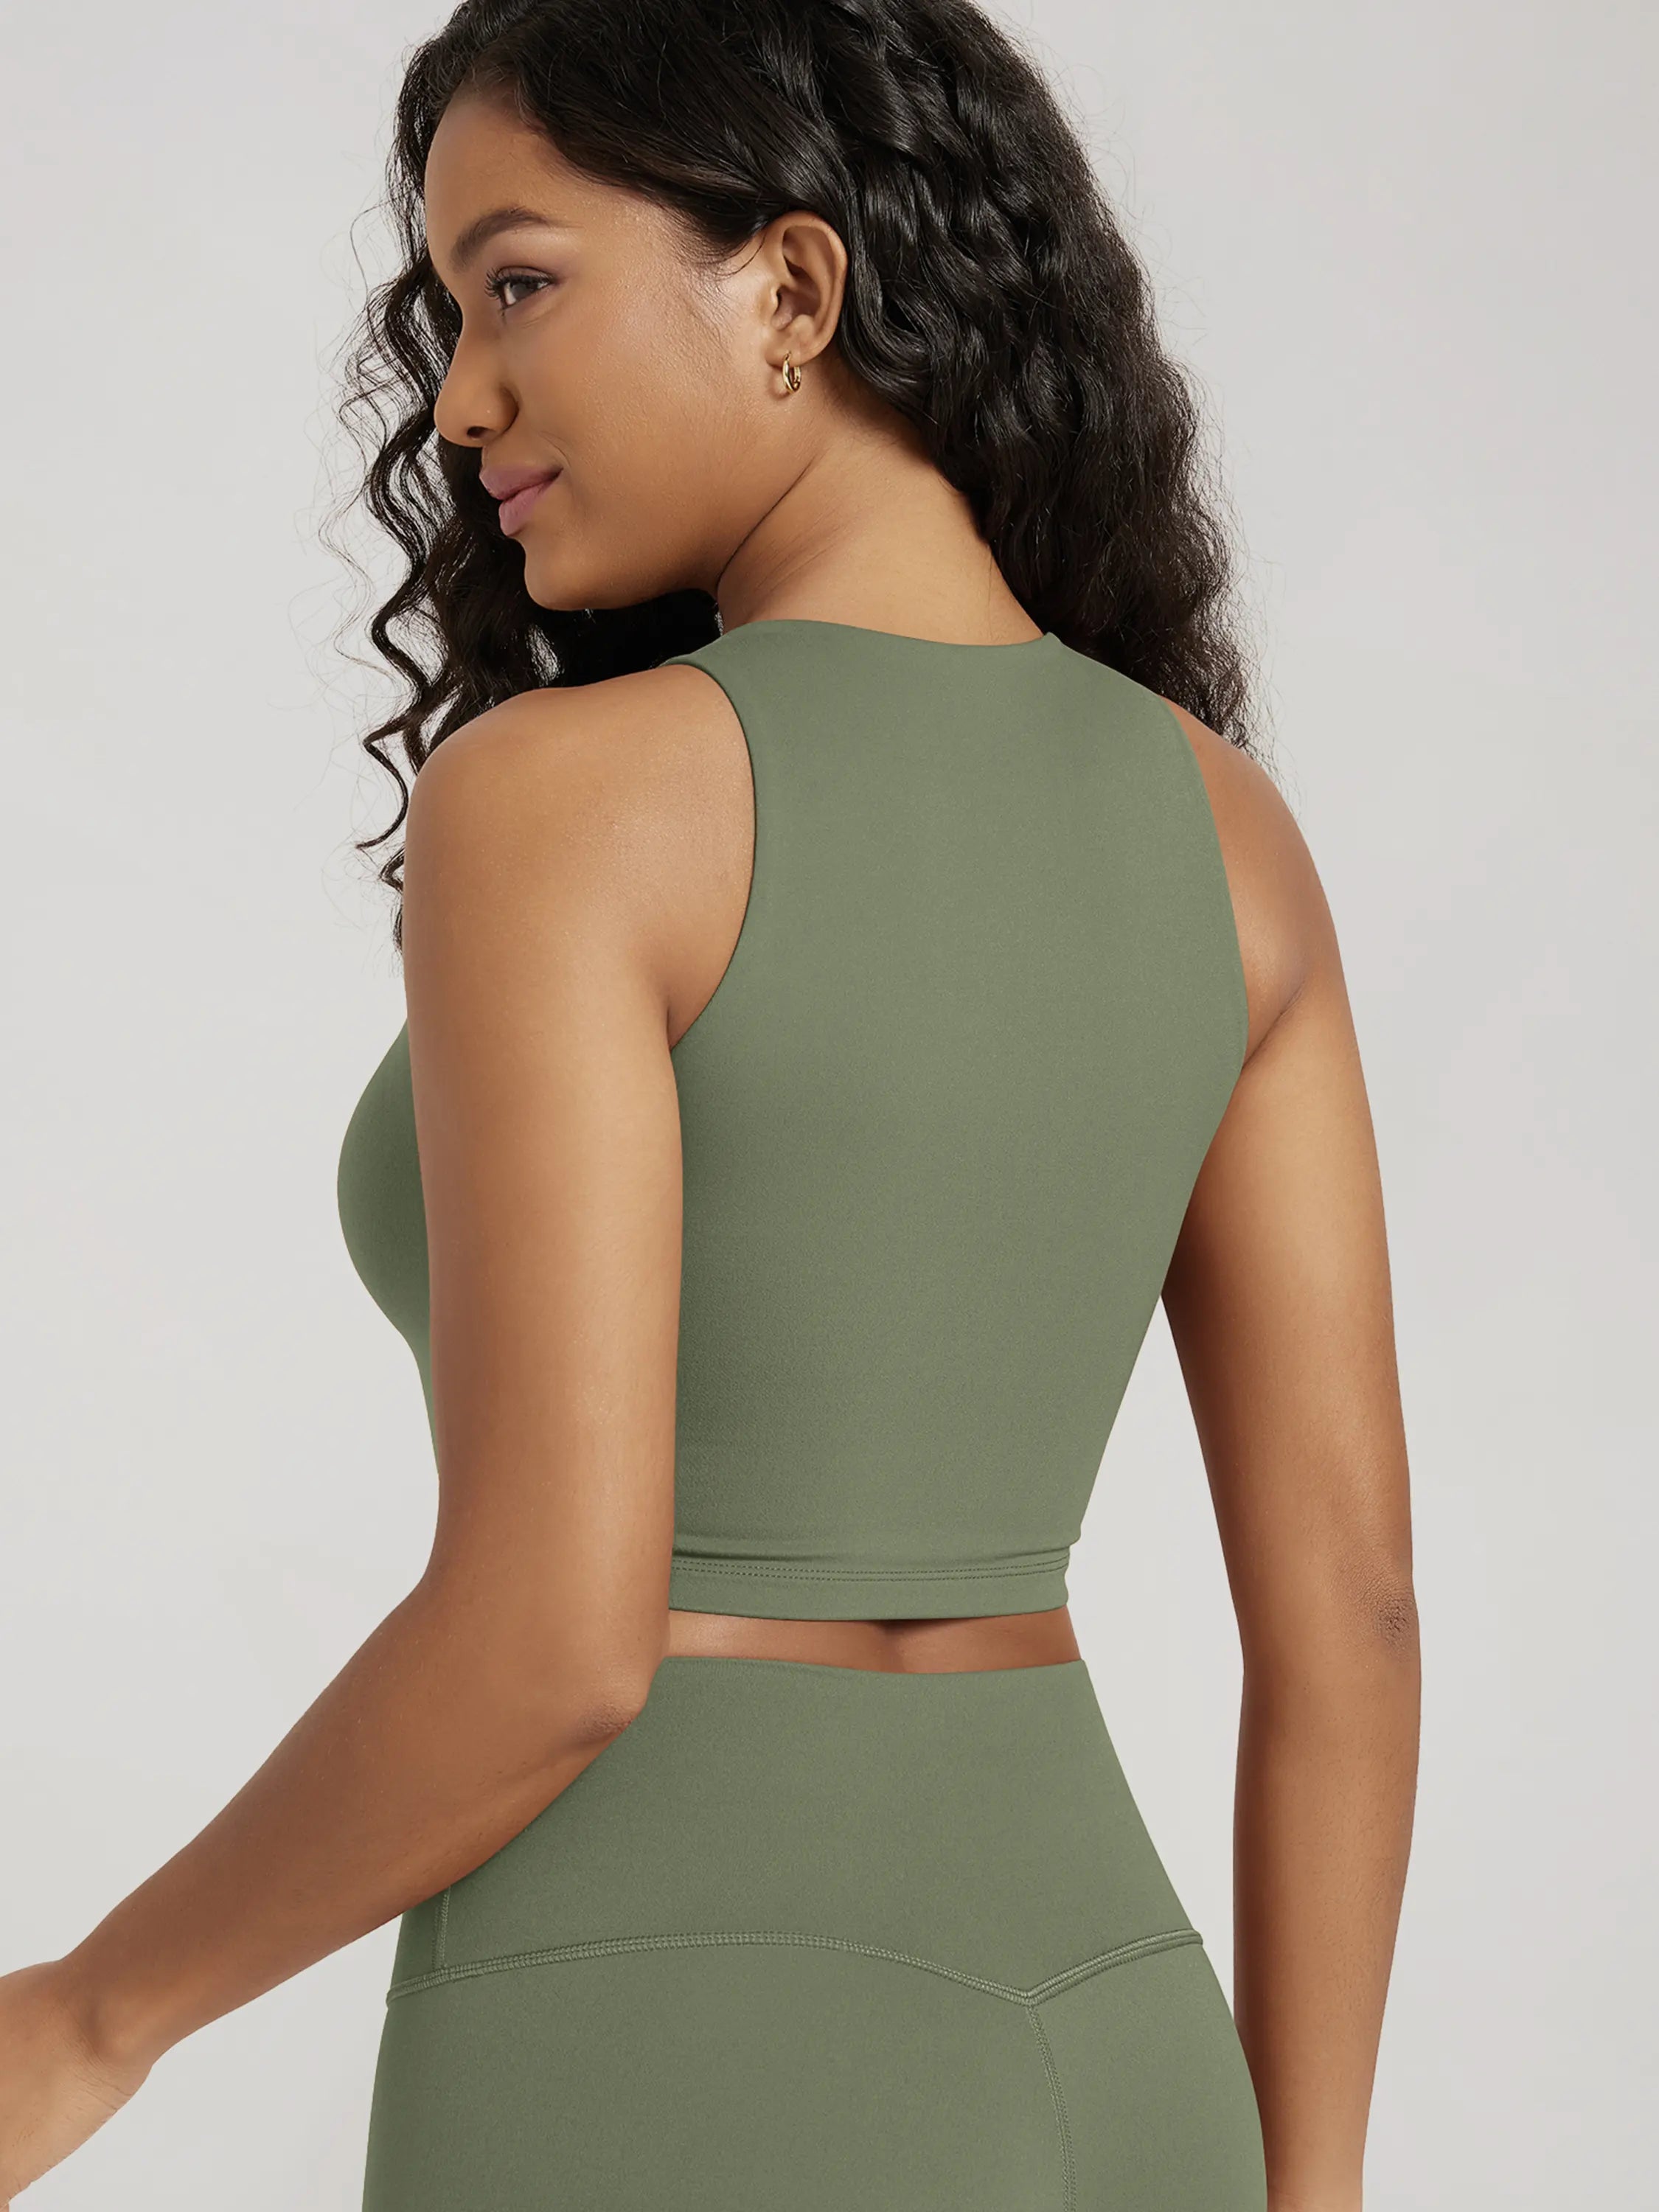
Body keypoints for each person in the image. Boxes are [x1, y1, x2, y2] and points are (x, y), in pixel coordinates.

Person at [0, 1, 1419, 2206]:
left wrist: (85, 2021)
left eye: (519, 282)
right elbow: (1352, 1624)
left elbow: (552, 1642)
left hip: (668, 2027)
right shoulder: (1227, 834)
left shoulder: (569, 803)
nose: (460, 394)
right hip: (1124, 2043)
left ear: (790, 288)